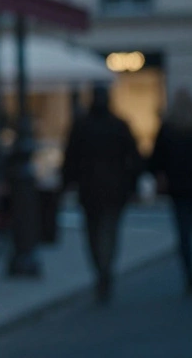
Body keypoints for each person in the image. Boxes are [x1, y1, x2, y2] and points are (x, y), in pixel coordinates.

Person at [60, 84, 143, 304]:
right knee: (107, 232)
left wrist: (68, 182)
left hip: (93, 189)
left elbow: (70, 159)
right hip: (111, 189)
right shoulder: (116, 125)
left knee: (95, 233)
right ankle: (104, 269)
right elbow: (134, 159)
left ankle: (102, 269)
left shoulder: (84, 126)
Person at [149, 86, 192, 296]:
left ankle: (189, 274)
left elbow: (156, 159)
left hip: (178, 188)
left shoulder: (168, 128)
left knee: (183, 233)